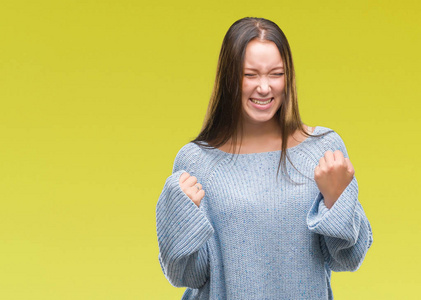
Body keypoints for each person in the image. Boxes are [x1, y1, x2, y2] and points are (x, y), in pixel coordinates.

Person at [156, 17, 373, 300]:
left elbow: (348, 259)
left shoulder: (324, 150)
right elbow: (188, 275)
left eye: (276, 74)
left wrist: (335, 201)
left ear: (289, 77)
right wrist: (178, 217)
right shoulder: (196, 161)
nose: (264, 87)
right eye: (250, 75)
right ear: (229, 78)